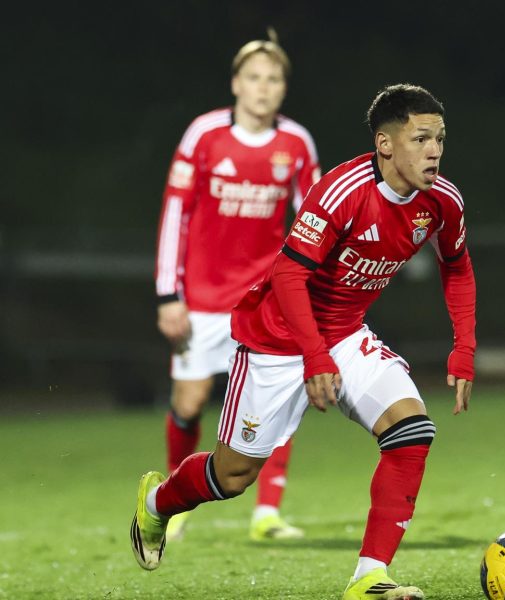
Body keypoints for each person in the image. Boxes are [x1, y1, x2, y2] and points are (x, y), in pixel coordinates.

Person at [133, 83, 476, 600]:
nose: (435, 151)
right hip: (278, 338)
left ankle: (369, 579)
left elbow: (458, 266)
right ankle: (157, 504)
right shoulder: (342, 189)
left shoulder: (442, 201)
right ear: (385, 144)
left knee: (412, 433)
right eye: (422, 138)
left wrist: (464, 348)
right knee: (232, 476)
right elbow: (289, 276)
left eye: (441, 139)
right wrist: (313, 358)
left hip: (345, 335)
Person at [153, 29, 321, 543]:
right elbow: (175, 211)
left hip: (263, 300)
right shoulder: (203, 135)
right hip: (201, 299)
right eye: (254, 78)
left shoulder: (296, 143)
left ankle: (267, 512)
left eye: (273, 79)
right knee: (189, 401)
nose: (263, 88)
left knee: (272, 402)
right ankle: (178, 501)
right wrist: (167, 294)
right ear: (236, 83)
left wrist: (312, 290)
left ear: (283, 89)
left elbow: (315, 216)